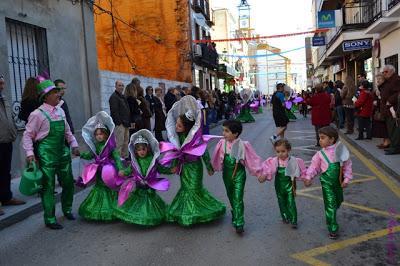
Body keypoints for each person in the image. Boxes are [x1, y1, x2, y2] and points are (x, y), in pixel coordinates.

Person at [22, 78, 79, 229]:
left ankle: (67, 209)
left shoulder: (60, 111)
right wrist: (30, 153)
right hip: (46, 155)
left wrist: (74, 144)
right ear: (45, 97)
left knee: (68, 183)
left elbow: (67, 131)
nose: (58, 94)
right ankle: (50, 219)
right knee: (48, 188)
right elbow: (27, 135)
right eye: (54, 92)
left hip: (63, 153)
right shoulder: (37, 114)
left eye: (57, 91)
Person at [161, 96, 226, 226]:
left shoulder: (196, 139)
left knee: (194, 188)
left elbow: (204, 152)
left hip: (195, 167)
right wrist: (174, 165)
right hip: (184, 168)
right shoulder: (177, 137)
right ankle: (188, 213)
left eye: (179, 125)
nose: (176, 126)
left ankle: (196, 213)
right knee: (186, 189)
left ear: (187, 127)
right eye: (176, 124)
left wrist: (209, 167)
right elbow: (175, 152)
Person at [211, 120, 263, 234]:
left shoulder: (243, 145)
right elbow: (216, 157)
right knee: (230, 195)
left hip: (239, 174)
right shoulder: (222, 144)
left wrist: (259, 173)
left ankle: (239, 223)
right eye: (223, 130)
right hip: (227, 174)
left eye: (227, 131)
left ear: (235, 133)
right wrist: (213, 169)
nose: (223, 133)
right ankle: (235, 212)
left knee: (238, 198)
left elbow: (252, 159)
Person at [304, 126, 353, 239]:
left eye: (322, 138)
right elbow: (314, 167)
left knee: (338, 201)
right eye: (319, 138)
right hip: (326, 184)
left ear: (331, 139)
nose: (320, 140)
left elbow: (347, 165)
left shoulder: (341, 151)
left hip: (338, 184)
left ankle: (332, 216)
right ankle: (333, 228)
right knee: (330, 204)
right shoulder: (320, 154)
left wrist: (346, 179)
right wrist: (308, 177)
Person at [114, 129, 170, 226]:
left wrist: (170, 170)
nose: (141, 152)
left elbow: (160, 168)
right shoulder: (135, 162)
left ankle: (149, 218)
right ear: (135, 151)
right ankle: (139, 218)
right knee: (138, 203)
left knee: (149, 204)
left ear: (147, 149)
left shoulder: (151, 160)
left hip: (149, 188)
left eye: (143, 149)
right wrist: (123, 172)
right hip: (139, 187)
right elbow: (129, 169)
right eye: (139, 150)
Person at [79, 111, 125, 221]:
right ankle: (98, 208)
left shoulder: (110, 147)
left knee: (108, 187)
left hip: (108, 171)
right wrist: (80, 154)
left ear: (106, 134)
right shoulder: (94, 146)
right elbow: (90, 154)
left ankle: (111, 208)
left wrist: (120, 168)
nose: (99, 136)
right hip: (98, 171)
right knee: (99, 187)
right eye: (97, 134)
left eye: (101, 134)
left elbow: (117, 158)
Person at [258, 139, 306, 229]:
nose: (280, 154)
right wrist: (263, 176)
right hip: (279, 185)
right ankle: (285, 216)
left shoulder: (294, 160)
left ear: (289, 150)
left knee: (291, 201)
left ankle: (294, 220)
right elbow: (268, 170)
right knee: (281, 201)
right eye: (278, 151)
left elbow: (302, 171)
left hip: (290, 185)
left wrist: (306, 179)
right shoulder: (274, 161)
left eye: (283, 151)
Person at [0, 76, 25, 216]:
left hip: (7, 140)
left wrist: (14, 130)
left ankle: (6, 197)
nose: (2, 86)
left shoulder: (4, 99)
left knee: (5, 171)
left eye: (3, 83)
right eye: (0, 83)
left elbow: (10, 117)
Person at [381, 65, 400, 155]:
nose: (384, 74)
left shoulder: (396, 79)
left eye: (386, 72)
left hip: (393, 109)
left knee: (394, 129)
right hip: (387, 109)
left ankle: (395, 148)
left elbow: (398, 93)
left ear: (392, 71)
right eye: (383, 72)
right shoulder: (388, 81)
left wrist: (390, 100)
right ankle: (393, 146)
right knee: (390, 129)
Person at [109, 80, 130, 158]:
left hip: (126, 123)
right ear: (115, 86)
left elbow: (127, 110)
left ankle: (124, 158)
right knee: (119, 143)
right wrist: (119, 122)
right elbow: (114, 111)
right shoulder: (113, 97)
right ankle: (118, 160)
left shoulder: (123, 96)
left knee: (126, 142)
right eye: (119, 85)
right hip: (120, 124)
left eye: (122, 85)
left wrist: (128, 122)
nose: (121, 87)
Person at [372, 73, 390, 149]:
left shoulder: (385, 87)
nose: (378, 81)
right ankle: (384, 141)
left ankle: (387, 142)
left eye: (379, 79)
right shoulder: (379, 87)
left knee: (385, 127)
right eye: (377, 79)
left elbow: (385, 99)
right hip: (380, 110)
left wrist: (378, 99)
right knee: (382, 127)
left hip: (385, 110)